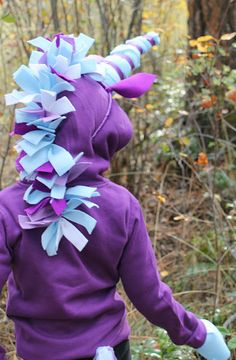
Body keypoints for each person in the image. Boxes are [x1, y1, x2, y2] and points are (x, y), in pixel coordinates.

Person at [0, 32, 230, 360]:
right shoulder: (121, 205)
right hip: (108, 350)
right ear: (104, 130)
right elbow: (150, 296)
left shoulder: (8, 207)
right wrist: (198, 334)